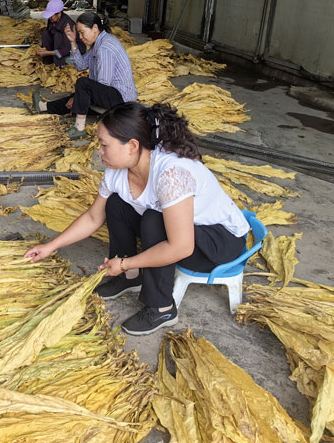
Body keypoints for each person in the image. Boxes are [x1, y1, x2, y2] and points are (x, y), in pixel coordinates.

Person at [25, 102, 250, 335]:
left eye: (104, 145)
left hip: (220, 245)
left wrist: (126, 261)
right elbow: (93, 217)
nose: (99, 151)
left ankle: (162, 307)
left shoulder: (171, 174)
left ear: (132, 145)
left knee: (155, 220)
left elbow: (181, 247)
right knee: (116, 204)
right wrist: (50, 247)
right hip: (188, 236)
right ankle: (130, 278)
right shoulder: (118, 170)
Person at [32, 12, 136, 140]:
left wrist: (81, 97)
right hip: (111, 95)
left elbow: (103, 83)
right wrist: (72, 42)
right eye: (79, 34)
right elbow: (81, 65)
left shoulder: (105, 48)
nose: (80, 37)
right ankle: (43, 107)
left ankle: (79, 128)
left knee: (83, 85)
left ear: (95, 28)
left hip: (121, 100)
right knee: (79, 95)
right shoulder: (98, 43)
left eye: (82, 32)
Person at [36, 0, 85, 67]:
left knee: (57, 36)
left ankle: (59, 65)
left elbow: (66, 49)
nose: (50, 18)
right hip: (60, 45)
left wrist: (48, 53)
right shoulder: (52, 20)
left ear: (59, 13)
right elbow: (49, 31)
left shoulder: (68, 26)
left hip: (72, 49)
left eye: (51, 16)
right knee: (45, 33)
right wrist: (41, 42)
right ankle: (48, 62)